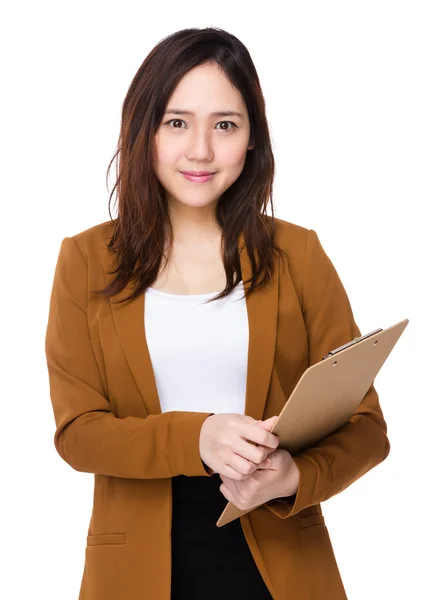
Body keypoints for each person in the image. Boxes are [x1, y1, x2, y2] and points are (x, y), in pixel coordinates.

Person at [45, 27, 390, 600]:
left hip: (282, 564)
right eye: (176, 122)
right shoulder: (84, 260)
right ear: (143, 131)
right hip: (136, 573)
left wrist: (295, 477)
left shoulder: (298, 255)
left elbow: (367, 430)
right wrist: (198, 437)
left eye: (225, 124)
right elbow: (78, 434)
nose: (200, 150)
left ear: (252, 137)